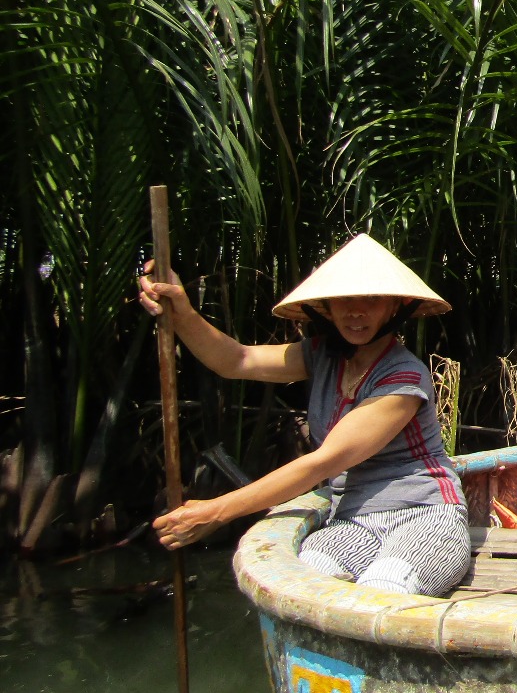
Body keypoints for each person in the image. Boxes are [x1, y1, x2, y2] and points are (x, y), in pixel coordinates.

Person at [139, 234, 472, 597]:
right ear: (326, 307)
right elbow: (236, 360)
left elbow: (323, 463)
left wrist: (216, 512)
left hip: (424, 513)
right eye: (344, 300)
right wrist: (182, 311)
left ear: (395, 306)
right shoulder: (321, 355)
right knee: (305, 584)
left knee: (384, 587)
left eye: (371, 299)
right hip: (352, 519)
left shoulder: (404, 377)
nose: (356, 310)